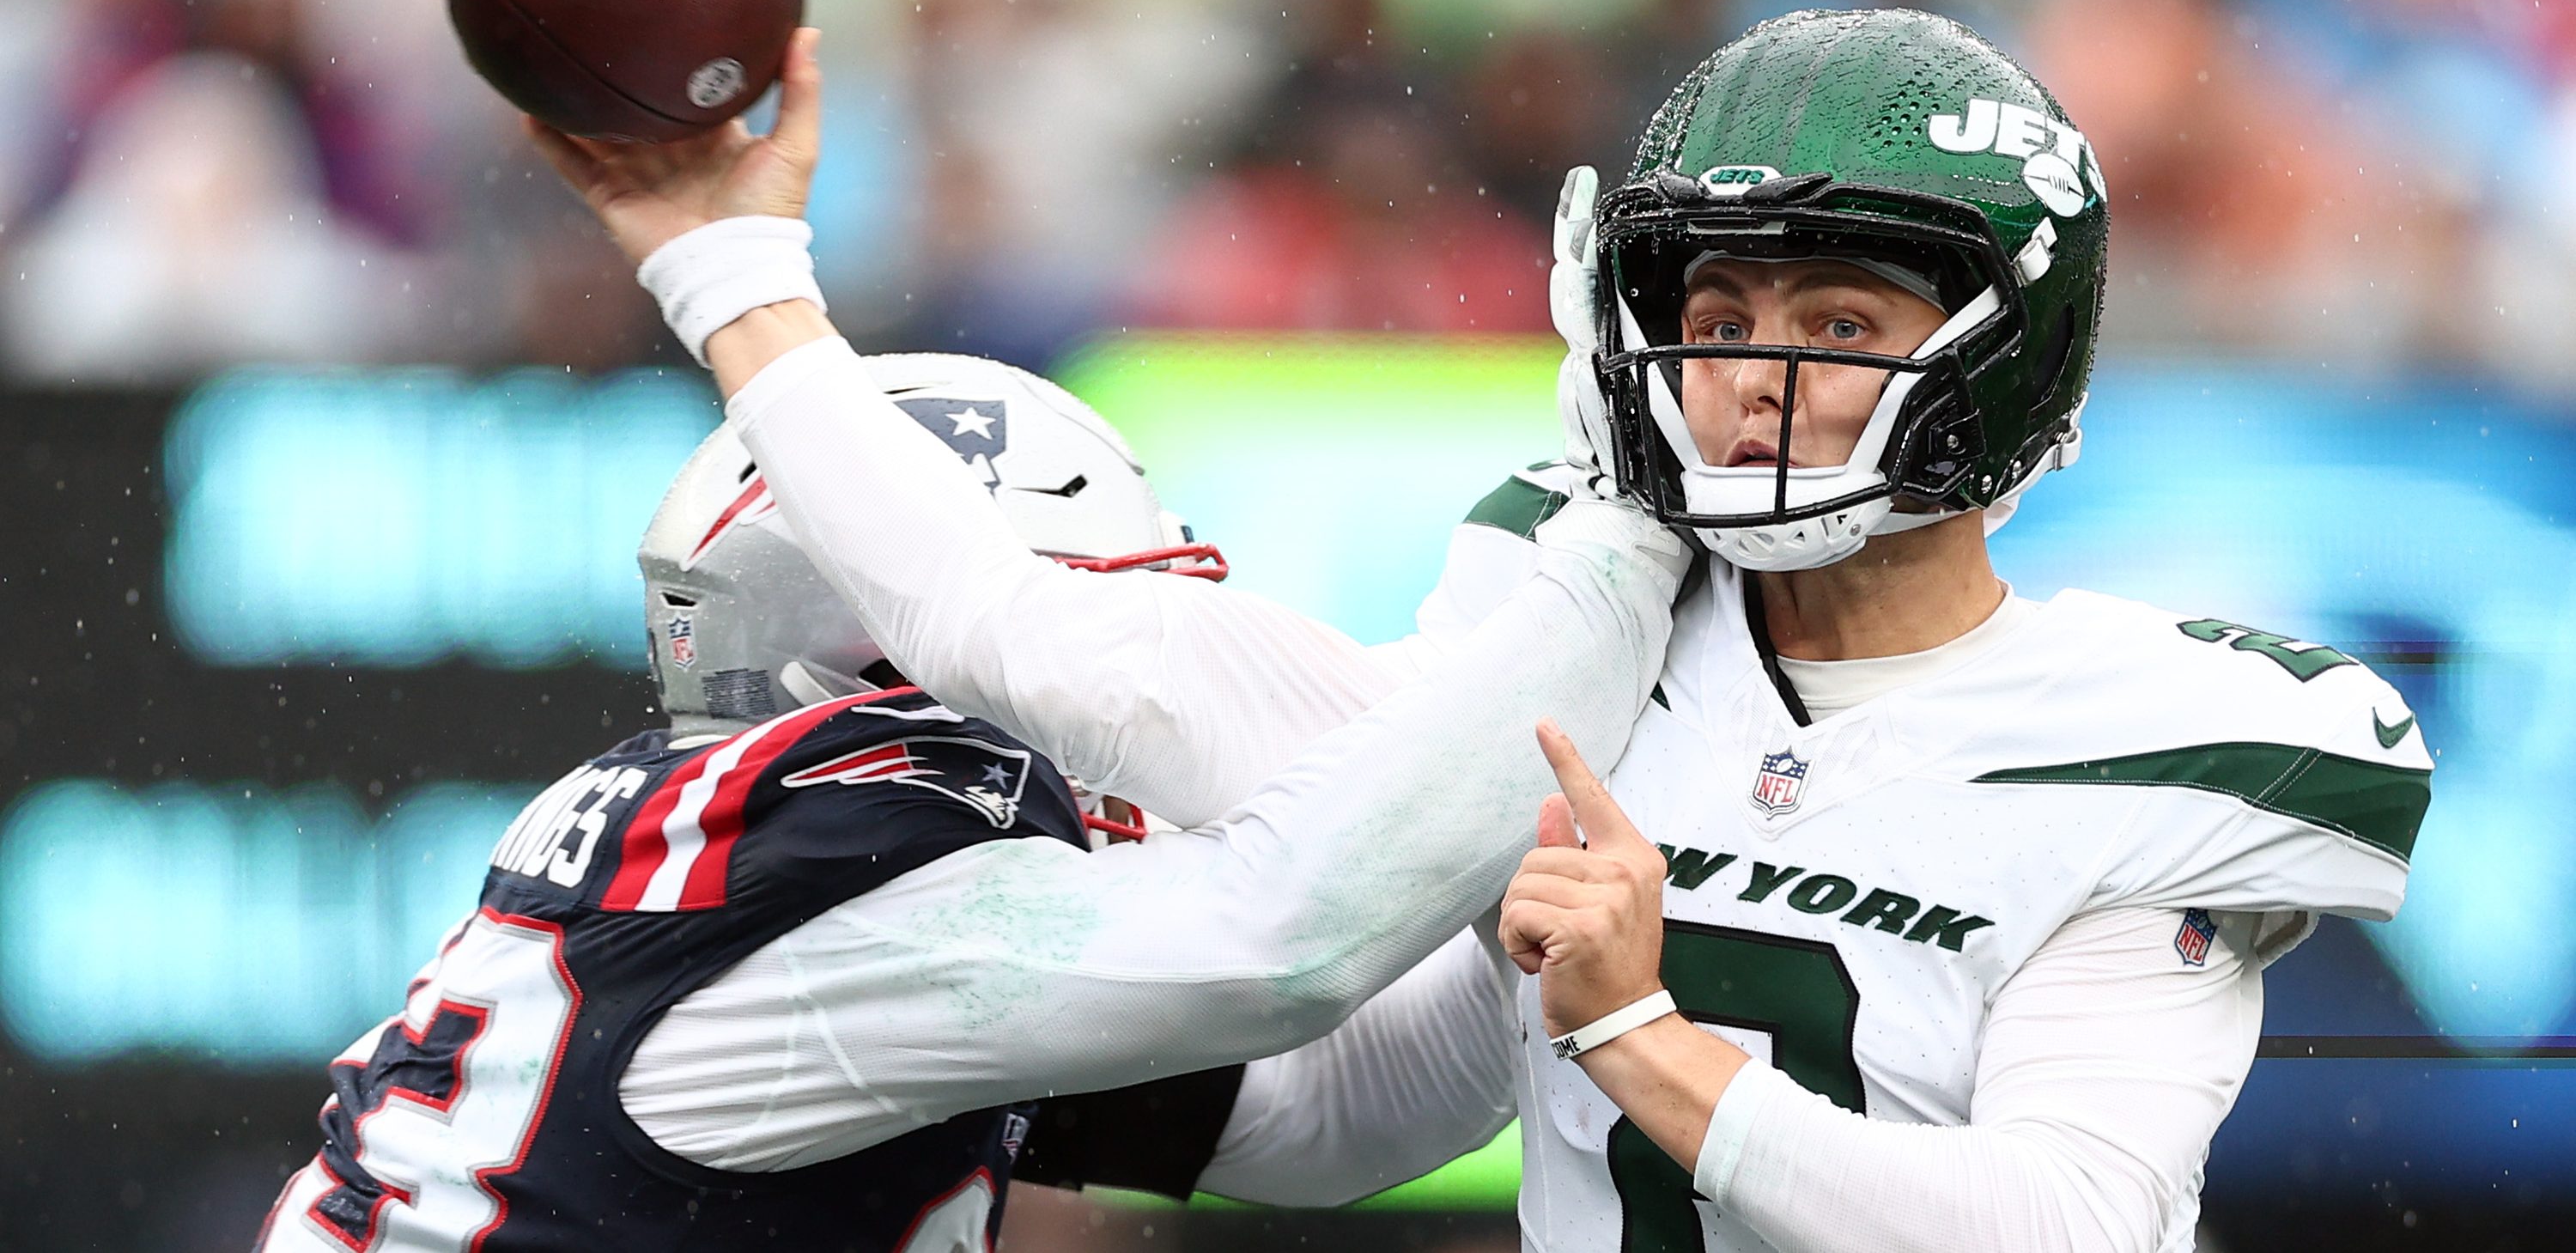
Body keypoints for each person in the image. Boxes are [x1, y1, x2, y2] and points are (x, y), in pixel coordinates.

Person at [544, 9, 2434, 1253]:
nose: (1752, 377)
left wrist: (1641, 1030)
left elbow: (2067, 1227)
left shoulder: (2170, 731)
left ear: (2001, 357)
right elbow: (1049, 648)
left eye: (1839, 325)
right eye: (1718, 304)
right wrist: (940, 1066)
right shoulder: (1573, 614)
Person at [252, 345, 1684, 1251]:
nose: (1098, 686)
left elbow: (1341, 1121)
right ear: (890, 648)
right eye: (1059, 624)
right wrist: (1614, 573)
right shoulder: (870, 842)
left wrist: (1547, 891)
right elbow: (1285, 941)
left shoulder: (742, 861)